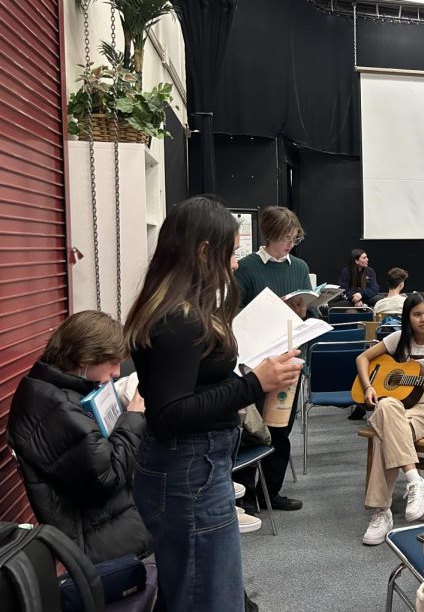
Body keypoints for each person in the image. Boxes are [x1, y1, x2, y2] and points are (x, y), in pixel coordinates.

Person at [125, 196, 302, 612]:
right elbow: (169, 415)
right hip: (190, 470)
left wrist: (244, 378)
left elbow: (182, 391)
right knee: (209, 597)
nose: (236, 264)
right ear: (204, 252)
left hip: (192, 467)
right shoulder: (179, 318)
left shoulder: (177, 309)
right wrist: (252, 382)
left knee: (192, 589)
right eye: (231, 252)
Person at [8, 311, 151, 565]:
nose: (117, 372)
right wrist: (132, 418)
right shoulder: (58, 409)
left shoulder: (48, 387)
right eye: (112, 363)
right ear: (86, 357)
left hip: (104, 519)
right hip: (95, 535)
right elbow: (107, 477)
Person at [354, 293, 424, 546]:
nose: (423, 319)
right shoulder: (396, 340)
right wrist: (369, 387)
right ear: (407, 317)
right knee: (387, 404)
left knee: (383, 432)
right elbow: (362, 358)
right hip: (395, 408)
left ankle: (382, 512)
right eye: (417, 314)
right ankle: (415, 481)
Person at [232, 205, 311, 513]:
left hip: (291, 358)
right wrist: (269, 311)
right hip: (258, 361)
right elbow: (235, 316)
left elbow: (310, 315)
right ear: (269, 236)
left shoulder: (300, 267)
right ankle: (245, 496)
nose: (290, 245)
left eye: (294, 239)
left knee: (280, 430)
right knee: (253, 430)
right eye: (285, 239)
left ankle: (270, 494)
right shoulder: (247, 268)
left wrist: (305, 312)